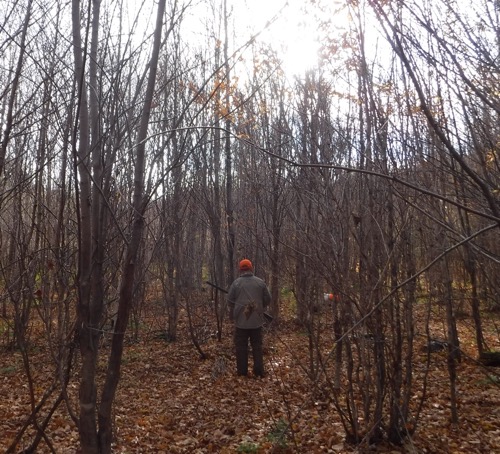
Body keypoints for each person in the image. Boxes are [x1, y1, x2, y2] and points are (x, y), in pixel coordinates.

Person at [227, 259, 271, 378]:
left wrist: (238, 305)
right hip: (256, 321)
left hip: (241, 322)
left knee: (241, 346)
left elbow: (230, 302)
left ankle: (242, 372)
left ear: (240, 270)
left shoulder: (236, 283)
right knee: (257, 346)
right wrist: (259, 306)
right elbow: (268, 299)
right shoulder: (260, 282)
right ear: (251, 268)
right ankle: (259, 372)